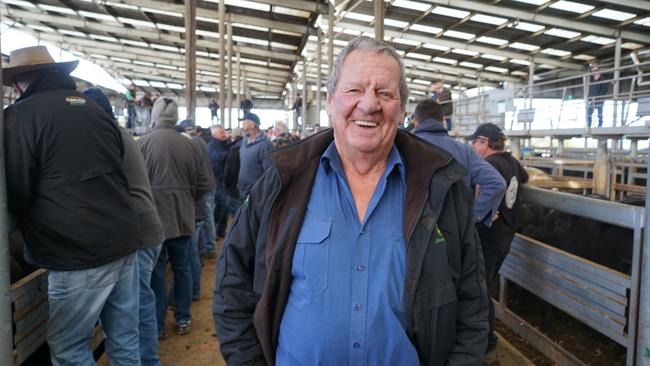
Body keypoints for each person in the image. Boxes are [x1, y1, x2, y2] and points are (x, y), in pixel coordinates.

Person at [214, 36, 488, 365]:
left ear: (401, 109)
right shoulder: (283, 181)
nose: (369, 104)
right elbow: (233, 286)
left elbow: (473, 308)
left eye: (385, 93)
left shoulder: (442, 188)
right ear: (330, 101)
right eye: (354, 90)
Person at [3, 46, 142, 365]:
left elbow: (18, 190)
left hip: (77, 250)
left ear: (20, 82)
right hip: (123, 239)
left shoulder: (20, 116)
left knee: (69, 347)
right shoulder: (95, 110)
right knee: (123, 340)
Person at [83, 87, 166, 366]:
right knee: (141, 301)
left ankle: (149, 361)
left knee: (138, 306)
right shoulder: (121, 134)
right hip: (148, 226)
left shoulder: (105, 136)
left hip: (139, 231)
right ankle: (148, 359)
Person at [138, 98, 212, 338]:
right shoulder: (190, 145)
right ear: (176, 116)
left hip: (153, 221)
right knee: (182, 268)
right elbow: (204, 184)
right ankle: (182, 318)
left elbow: (135, 185)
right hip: (183, 217)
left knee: (156, 272)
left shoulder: (143, 143)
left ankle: (157, 325)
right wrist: (187, 199)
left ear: (155, 115)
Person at [468, 123, 529, 365]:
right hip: (506, 235)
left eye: (475, 142)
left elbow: (484, 193)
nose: (473, 146)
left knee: (481, 287)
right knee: (486, 284)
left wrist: (480, 212)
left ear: (484, 142)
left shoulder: (489, 165)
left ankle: (487, 340)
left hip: (489, 236)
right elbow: (525, 178)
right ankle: (486, 336)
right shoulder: (511, 161)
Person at [413, 99, 505, 225]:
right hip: (452, 230)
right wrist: (473, 216)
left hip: (413, 229)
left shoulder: (404, 148)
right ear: (443, 122)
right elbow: (496, 183)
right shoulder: (464, 151)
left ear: (415, 122)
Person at [237, 112, 273, 198]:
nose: (242, 127)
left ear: (252, 125)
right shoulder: (244, 142)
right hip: (242, 189)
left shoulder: (264, 144)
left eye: (244, 124)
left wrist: (262, 192)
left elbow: (268, 171)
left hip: (256, 192)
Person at [208, 125, 230, 241]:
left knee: (224, 207)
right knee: (222, 205)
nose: (224, 134)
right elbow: (218, 158)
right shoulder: (212, 146)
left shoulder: (223, 144)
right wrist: (230, 151)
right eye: (221, 132)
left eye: (224, 132)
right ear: (214, 134)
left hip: (223, 180)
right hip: (216, 181)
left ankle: (220, 230)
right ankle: (215, 230)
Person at [587, 63, 609, 128]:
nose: (594, 73)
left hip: (600, 99)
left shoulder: (603, 80)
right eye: (594, 71)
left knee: (599, 113)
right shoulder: (593, 80)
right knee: (589, 112)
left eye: (595, 71)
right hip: (593, 100)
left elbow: (605, 90)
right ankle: (589, 125)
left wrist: (598, 97)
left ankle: (600, 125)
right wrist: (589, 97)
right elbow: (591, 89)